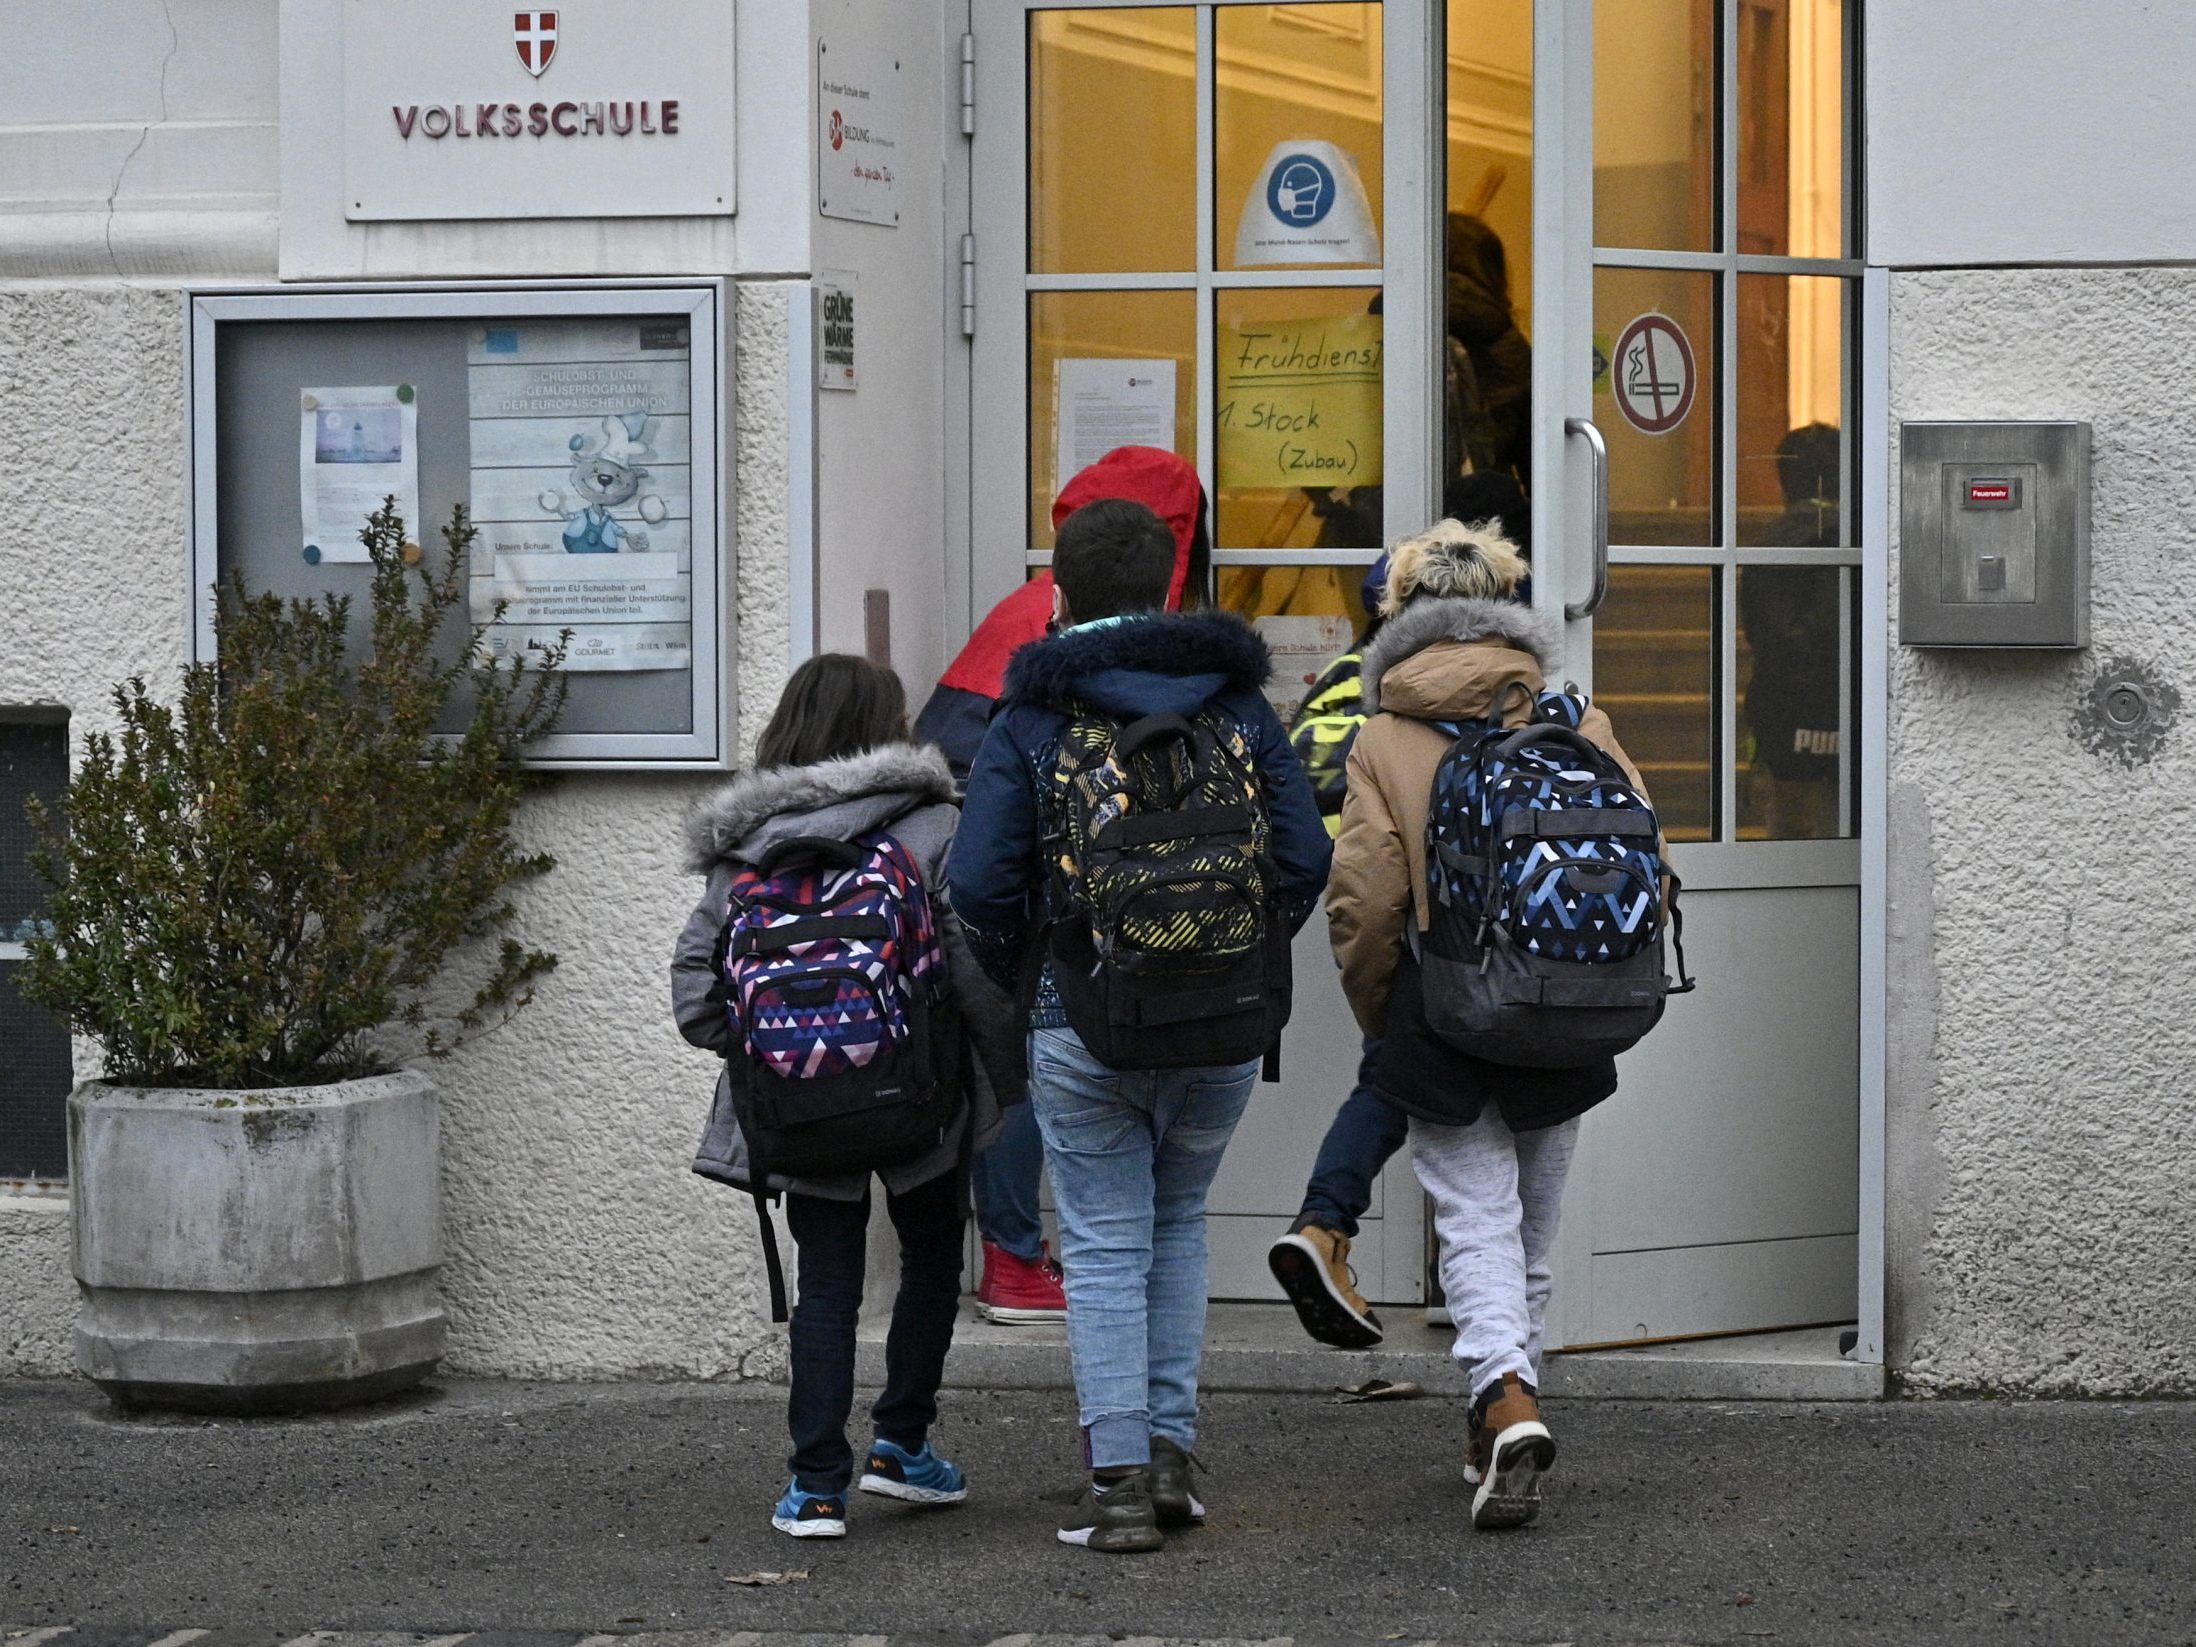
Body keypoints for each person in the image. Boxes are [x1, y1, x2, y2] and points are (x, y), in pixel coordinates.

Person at [949, 497, 1331, 1554]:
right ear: (1169, 589)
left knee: (1108, 1241)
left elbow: (976, 884)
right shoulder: (1240, 706)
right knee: (1177, 1225)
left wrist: (1038, 968)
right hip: (1223, 1029)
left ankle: (1117, 1480)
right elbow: (1306, 860)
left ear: (1060, 596)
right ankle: (1172, 1460)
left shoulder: (1032, 716)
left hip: (1086, 1019)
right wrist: (1240, 954)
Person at [1325, 519, 1651, 1531]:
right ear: (1512, 608)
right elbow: (1650, 855)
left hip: (1452, 1006)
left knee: (1473, 1221)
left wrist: (1387, 1014)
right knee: (1532, 1230)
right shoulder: (1573, 716)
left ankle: (1506, 1396)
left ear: (1402, 618)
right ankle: (1497, 1420)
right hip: (1571, 1007)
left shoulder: (1383, 734)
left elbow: (1368, 900)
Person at [671, 654, 1021, 1541]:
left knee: (826, 1279)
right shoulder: (933, 824)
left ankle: (815, 1485)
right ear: (887, 728)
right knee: (932, 1257)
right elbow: (972, 966)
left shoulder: (747, 843)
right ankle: (902, 1445)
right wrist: (999, 1069)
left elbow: (694, 995)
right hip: (921, 1092)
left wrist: (775, 1059)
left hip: (799, 1106)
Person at [914, 444, 1213, 1327]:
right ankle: (1011, 1258)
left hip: (994, 867)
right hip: (1020, 883)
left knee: (1021, 1061)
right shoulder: (1100, 632)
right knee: (1020, 1066)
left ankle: (1015, 1252)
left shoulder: (1029, 609)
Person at [1265, 490, 1530, 1352]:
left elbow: (1362, 888)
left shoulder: (1375, 716)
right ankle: (1499, 1362)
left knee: (1397, 1082)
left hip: (1431, 956)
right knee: (1510, 1198)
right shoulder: (1559, 711)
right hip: (1545, 977)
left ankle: (1327, 1226)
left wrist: (1380, 996)